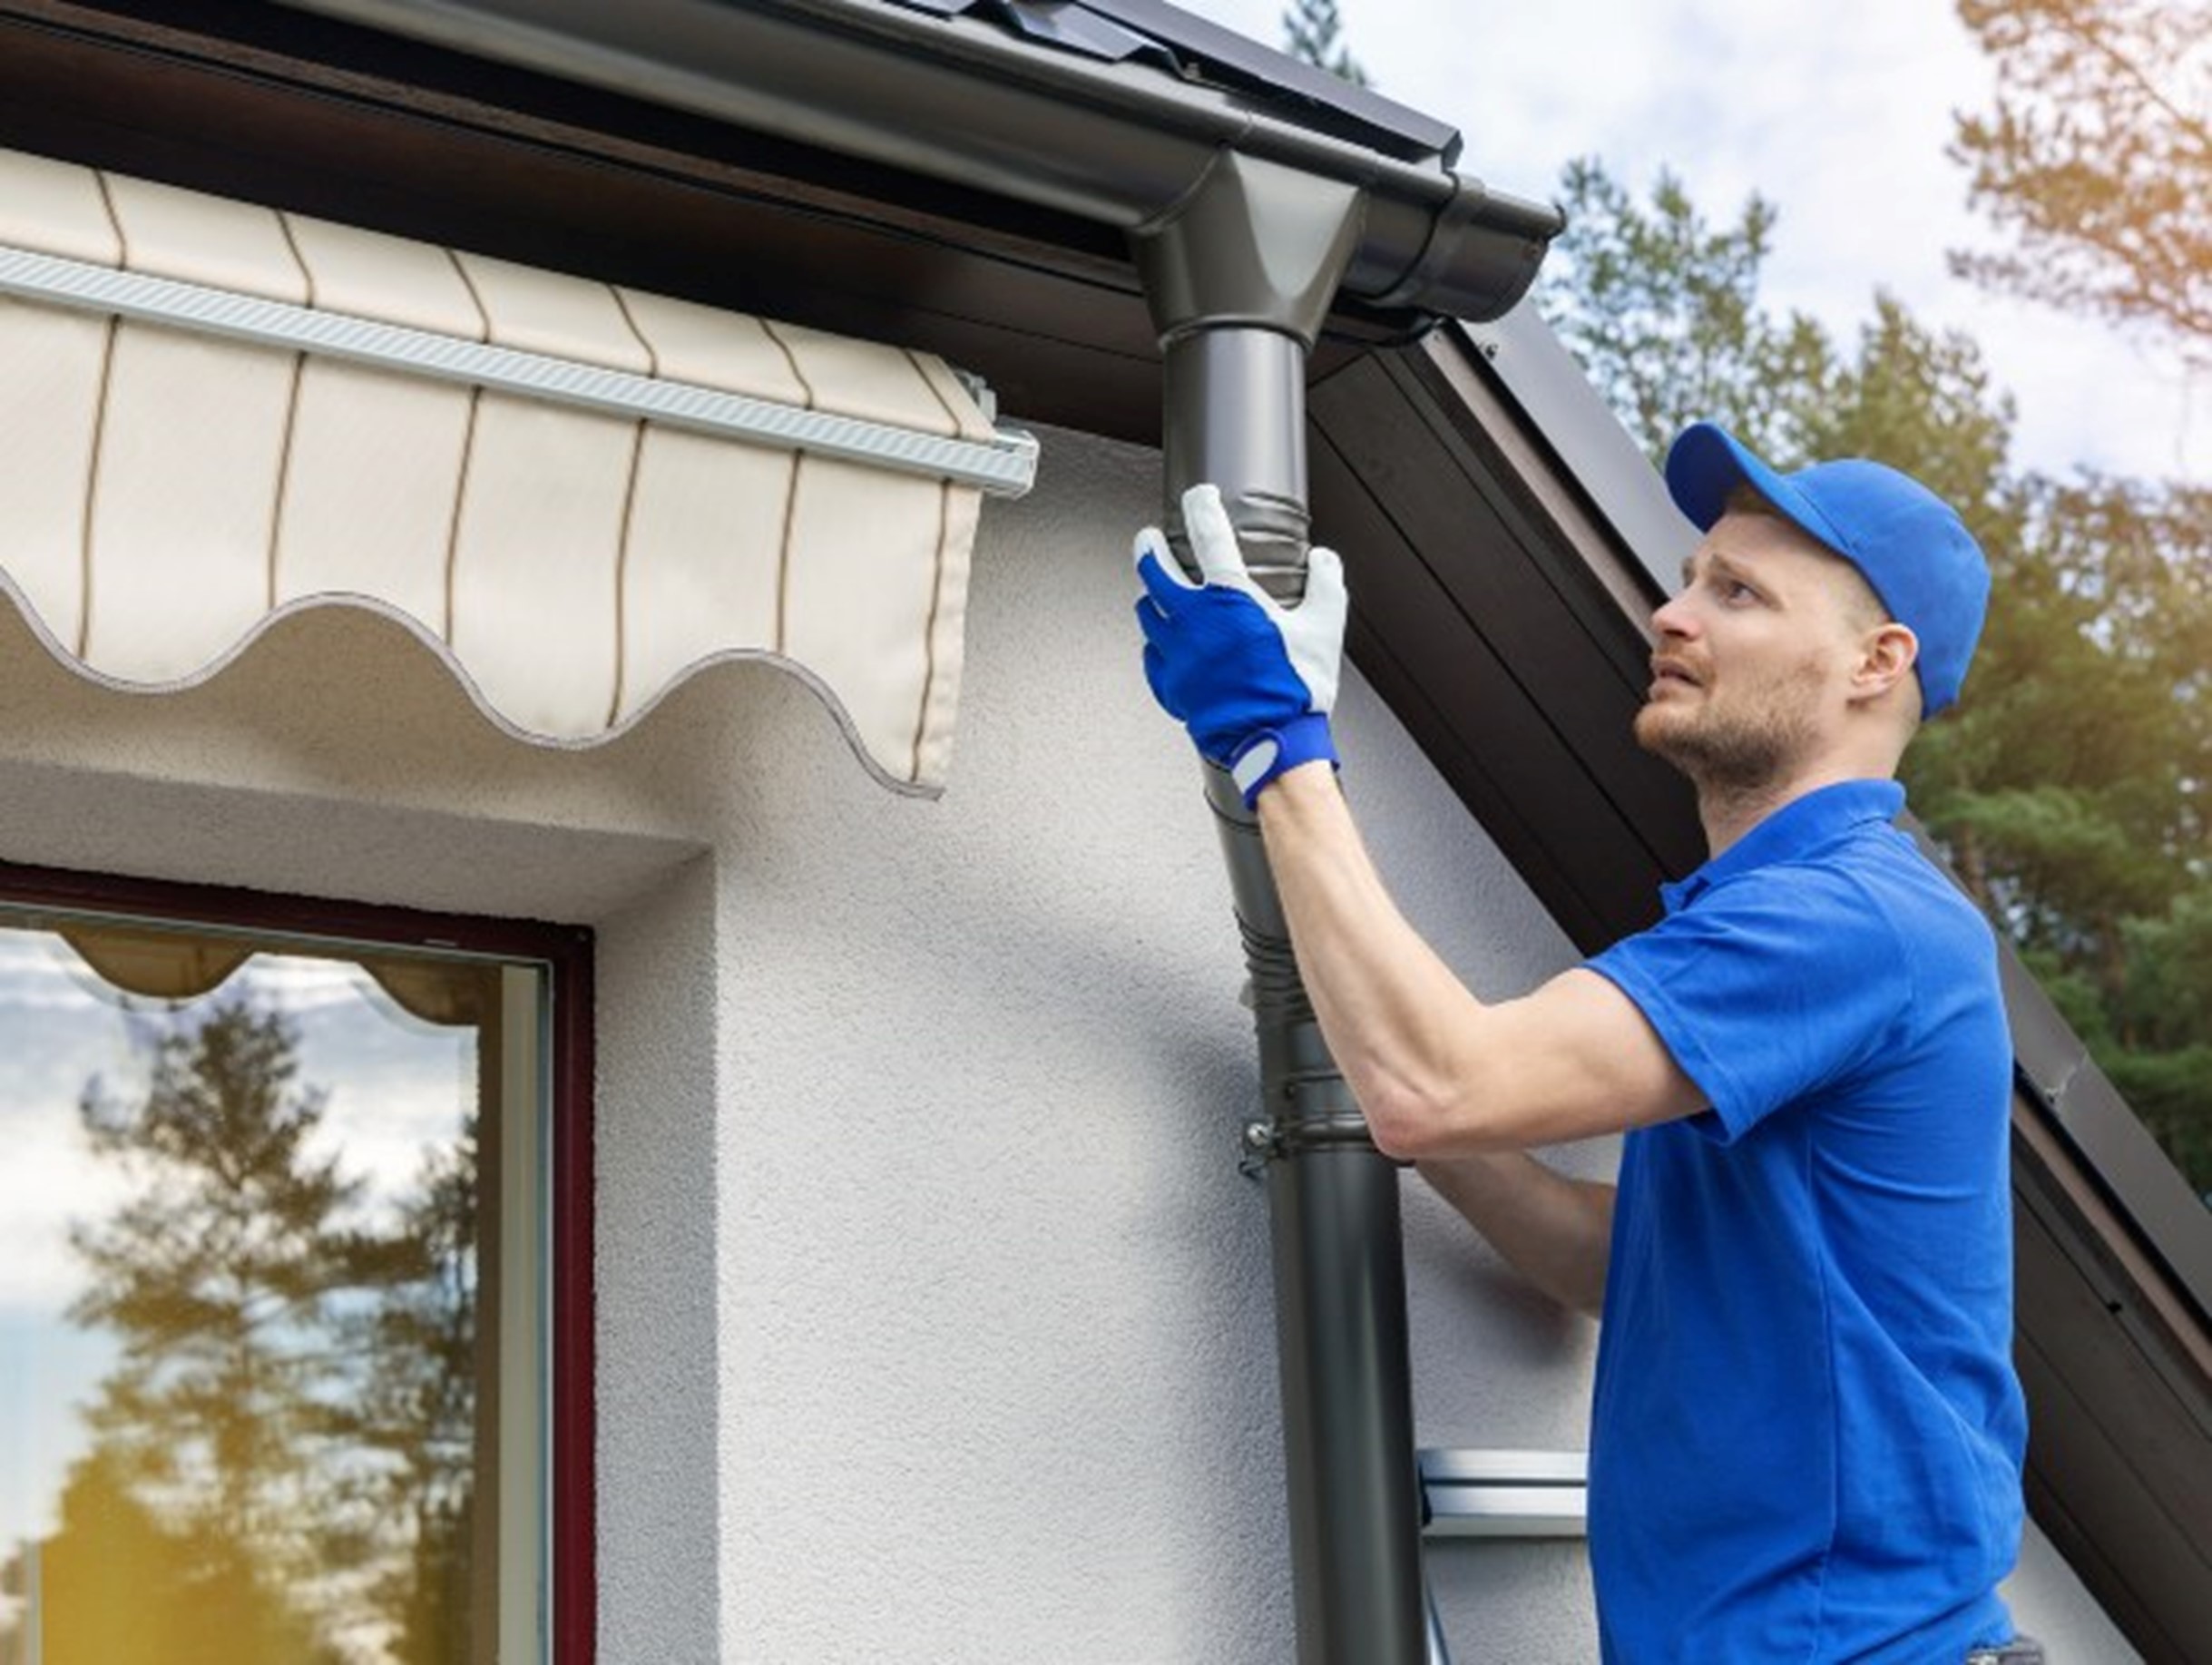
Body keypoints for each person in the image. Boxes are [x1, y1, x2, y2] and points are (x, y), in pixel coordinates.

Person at [1132, 421, 2036, 1664]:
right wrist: (1361, 1044)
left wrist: (1274, 745)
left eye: (1735, 593)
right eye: (1684, 578)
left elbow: (1439, 1086)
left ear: (1873, 664)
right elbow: (1607, 1263)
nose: (1671, 616)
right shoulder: (1775, 923)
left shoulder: (1846, 918)